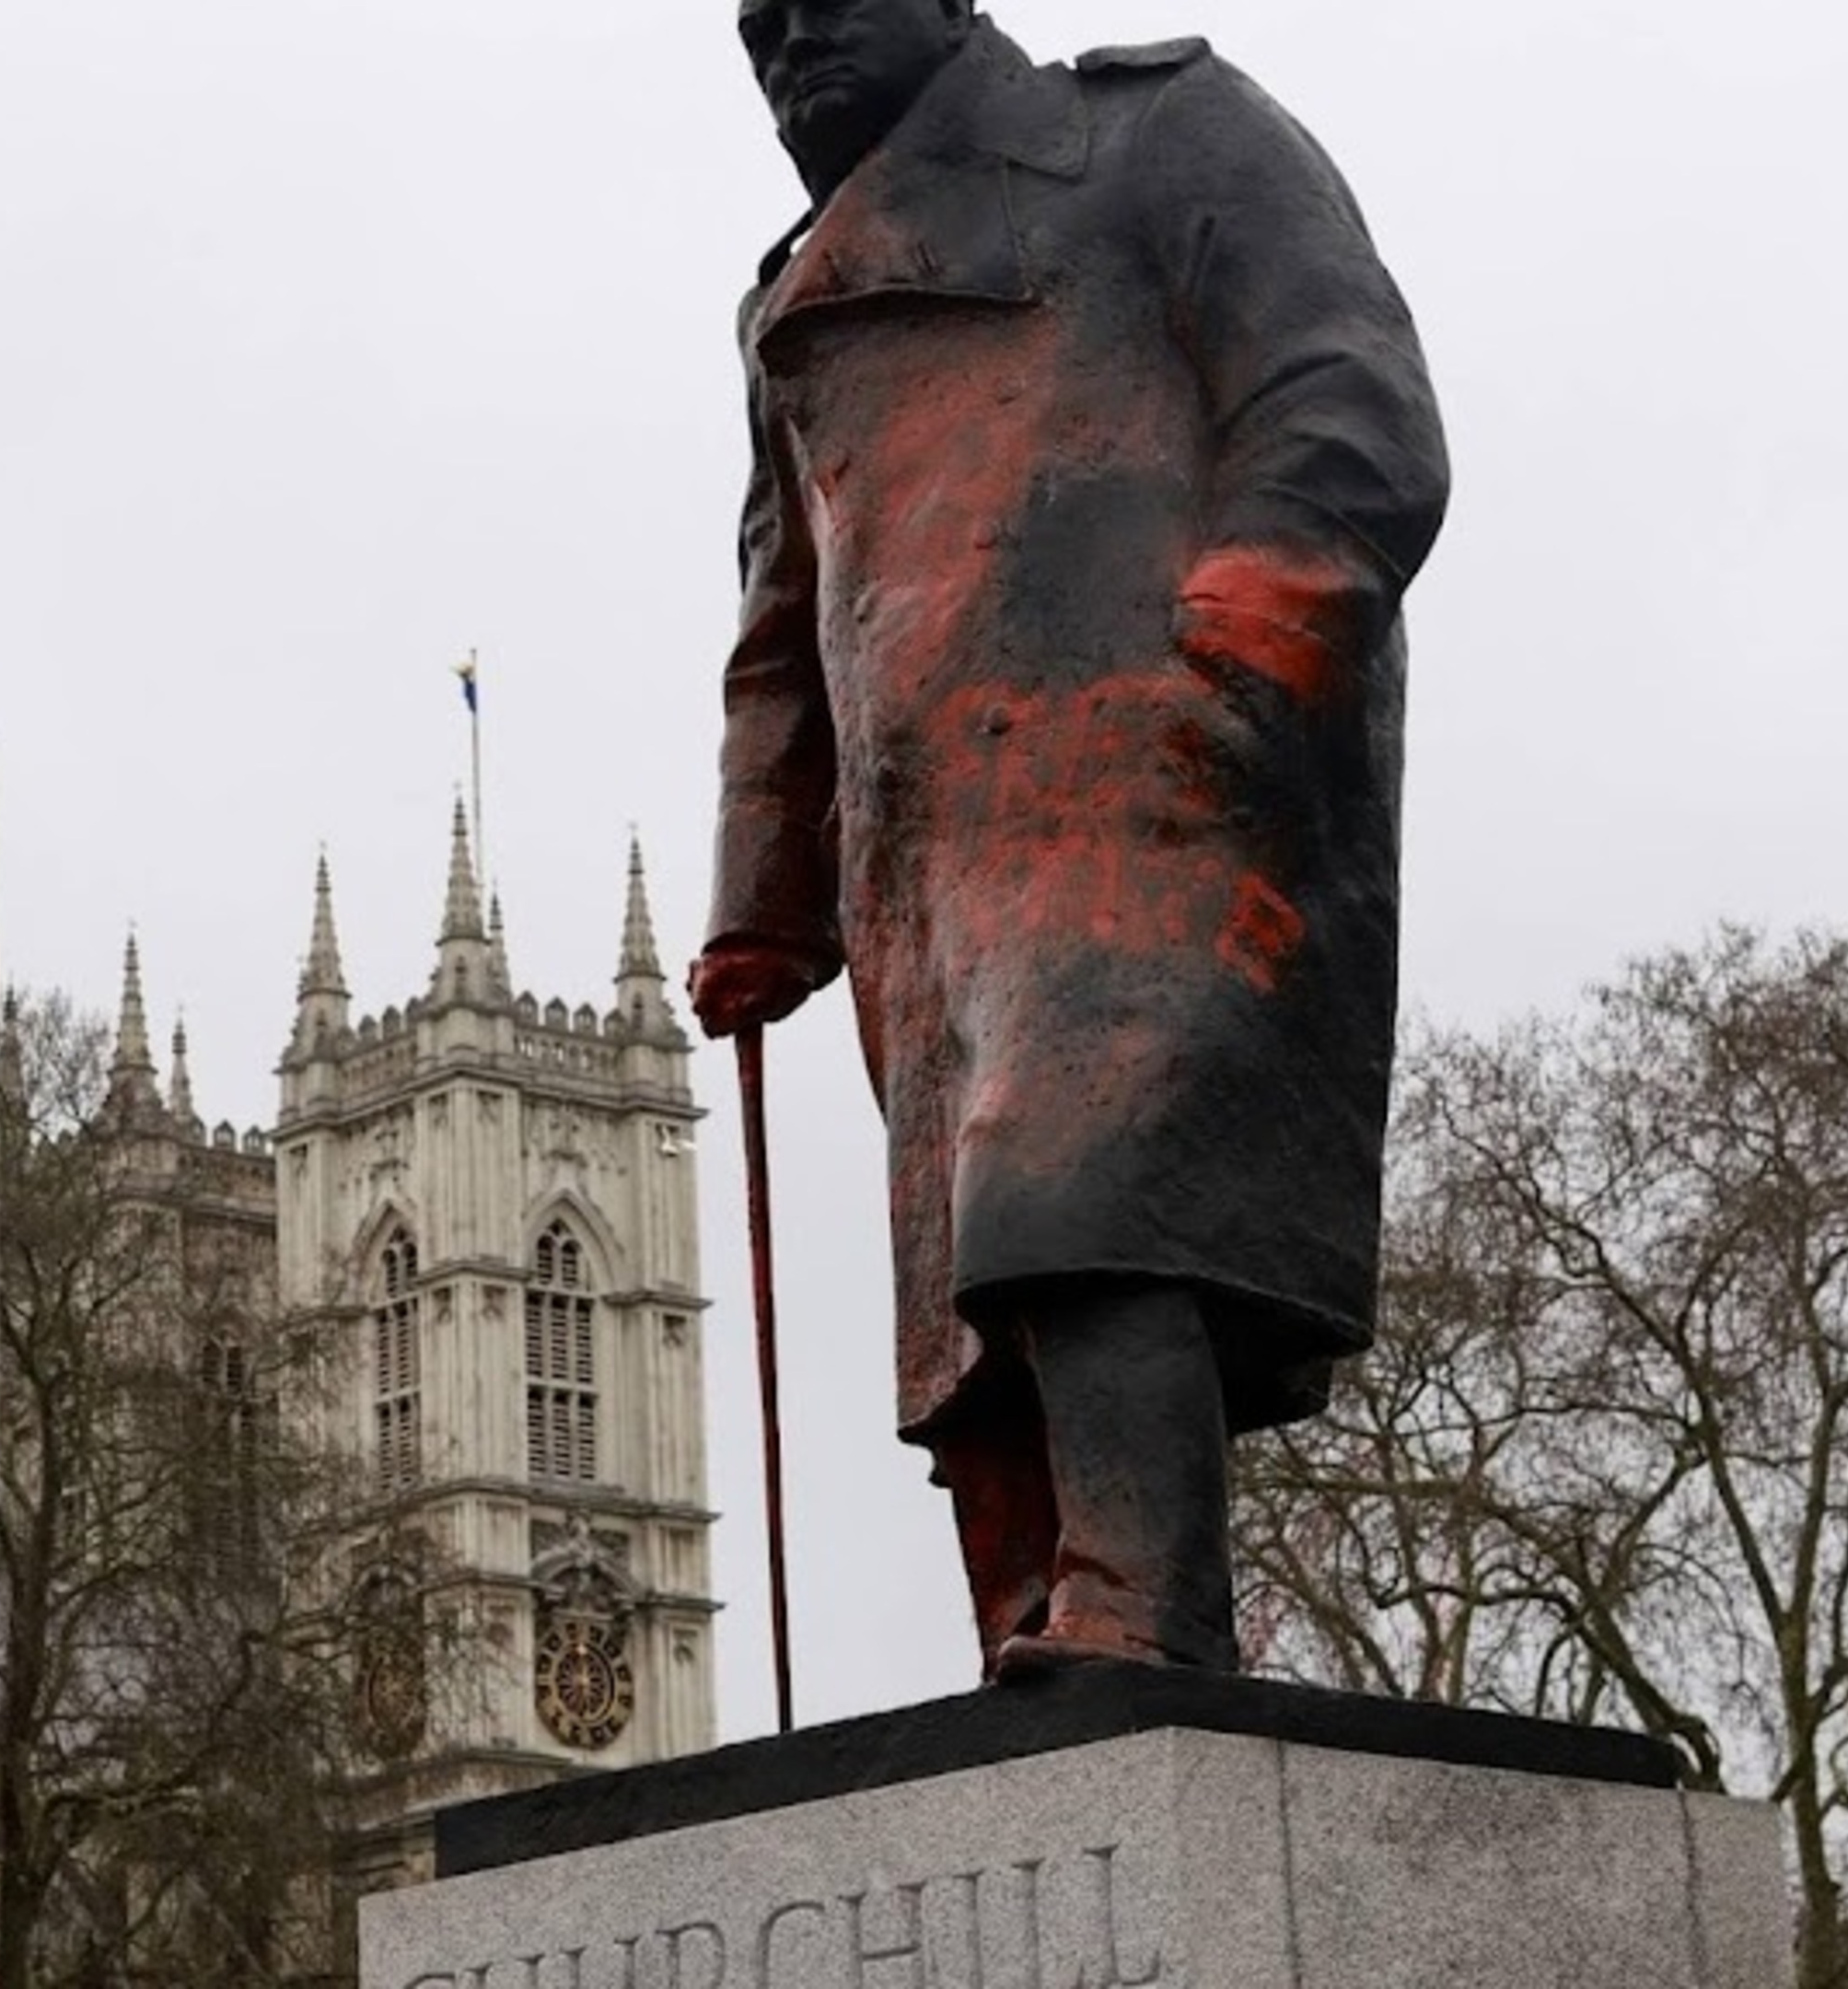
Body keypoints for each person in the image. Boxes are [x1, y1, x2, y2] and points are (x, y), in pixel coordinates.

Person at [690, 3, 1450, 1677]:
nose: (793, 47)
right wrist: (767, 894)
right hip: (926, 850)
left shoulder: (1161, 133)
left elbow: (1343, 381)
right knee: (967, 1268)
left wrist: (1262, 605)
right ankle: (1032, 1606)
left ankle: (1142, 1599)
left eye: (831, 2)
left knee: (1079, 1181)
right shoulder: (791, 310)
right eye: (762, 26)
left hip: (1155, 764)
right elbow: (785, 621)